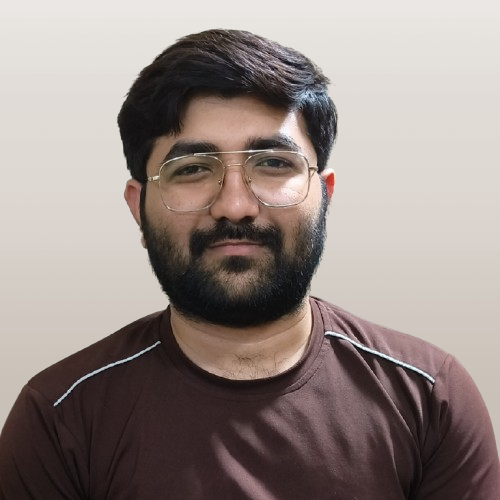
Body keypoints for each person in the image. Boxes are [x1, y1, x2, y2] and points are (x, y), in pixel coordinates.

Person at [0, 29, 498, 500]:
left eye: (273, 163)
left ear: (324, 194)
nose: (235, 206)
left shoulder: (429, 396)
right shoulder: (60, 418)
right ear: (138, 206)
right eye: (192, 169)